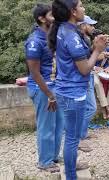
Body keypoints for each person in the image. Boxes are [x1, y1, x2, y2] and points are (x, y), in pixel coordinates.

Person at [48, 0, 108, 179]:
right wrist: (97, 51)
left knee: (71, 137)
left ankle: (71, 172)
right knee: (72, 139)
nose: (84, 9)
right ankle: (71, 176)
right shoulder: (71, 35)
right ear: (73, 12)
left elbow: (77, 59)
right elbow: (83, 69)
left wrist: (95, 46)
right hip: (73, 93)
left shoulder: (66, 30)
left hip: (67, 90)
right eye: (81, 6)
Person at [25, 3, 64, 173]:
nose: (55, 17)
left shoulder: (51, 37)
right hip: (42, 89)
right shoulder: (34, 41)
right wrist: (50, 95)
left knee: (58, 124)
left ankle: (54, 156)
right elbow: (34, 72)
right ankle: (45, 161)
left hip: (54, 87)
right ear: (42, 18)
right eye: (52, 15)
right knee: (46, 126)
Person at [77, 15, 98, 152]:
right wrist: (96, 51)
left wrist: (96, 49)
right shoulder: (77, 39)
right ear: (83, 26)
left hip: (88, 75)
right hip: (83, 77)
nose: (93, 27)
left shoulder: (86, 38)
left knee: (87, 107)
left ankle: (82, 134)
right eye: (90, 25)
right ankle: (78, 136)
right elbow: (83, 62)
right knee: (91, 107)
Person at [94, 37, 109, 119]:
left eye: (108, 43)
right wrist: (94, 67)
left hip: (106, 71)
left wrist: (108, 68)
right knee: (97, 83)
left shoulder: (108, 49)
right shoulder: (94, 48)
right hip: (95, 71)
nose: (107, 44)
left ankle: (108, 108)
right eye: (106, 42)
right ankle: (106, 109)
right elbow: (87, 61)